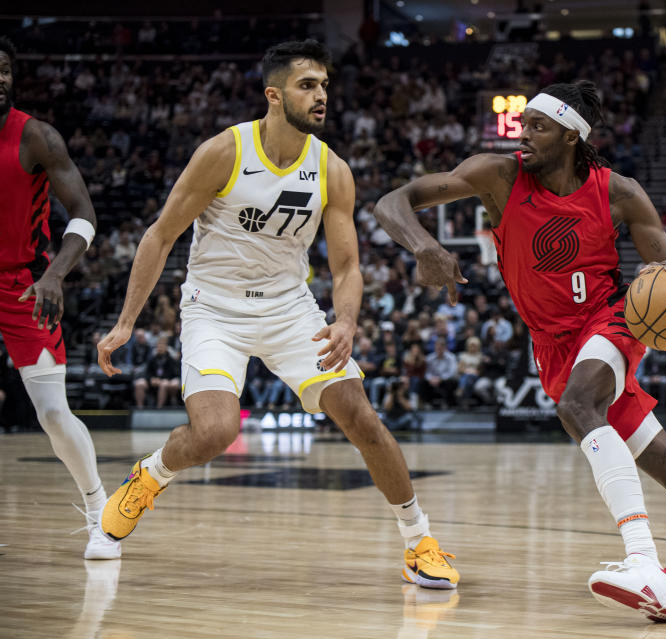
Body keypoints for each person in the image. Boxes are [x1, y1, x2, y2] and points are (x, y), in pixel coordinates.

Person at [374, 80, 666, 620]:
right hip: (552, 345)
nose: (522, 134)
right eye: (522, 122)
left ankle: (646, 565)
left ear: (572, 137)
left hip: (613, 320)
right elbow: (394, 201)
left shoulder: (617, 192)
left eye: (538, 126)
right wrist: (425, 246)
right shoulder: (498, 175)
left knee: (578, 407)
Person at [95, 40, 458, 589]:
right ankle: (150, 475)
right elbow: (161, 234)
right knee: (215, 431)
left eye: (325, 86)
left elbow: (346, 267)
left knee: (360, 416)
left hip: (290, 308)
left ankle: (419, 541)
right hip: (214, 308)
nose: (322, 96)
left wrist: (346, 322)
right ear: (273, 95)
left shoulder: (332, 169)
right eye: (308, 85)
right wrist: (126, 322)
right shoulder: (224, 151)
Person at [0, 37, 118, 560]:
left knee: (50, 411)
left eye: (4, 70)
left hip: (23, 282)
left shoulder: (36, 137)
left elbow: (84, 214)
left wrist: (55, 274)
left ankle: (101, 514)